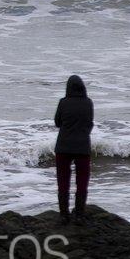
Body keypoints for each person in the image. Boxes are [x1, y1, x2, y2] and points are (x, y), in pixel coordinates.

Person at [53, 74, 94, 224]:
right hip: (82, 147)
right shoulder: (88, 103)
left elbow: (57, 122)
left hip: (63, 147)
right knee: (82, 183)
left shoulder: (63, 102)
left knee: (63, 182)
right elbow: (89, 123)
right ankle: (79, 215)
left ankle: (64, 215)